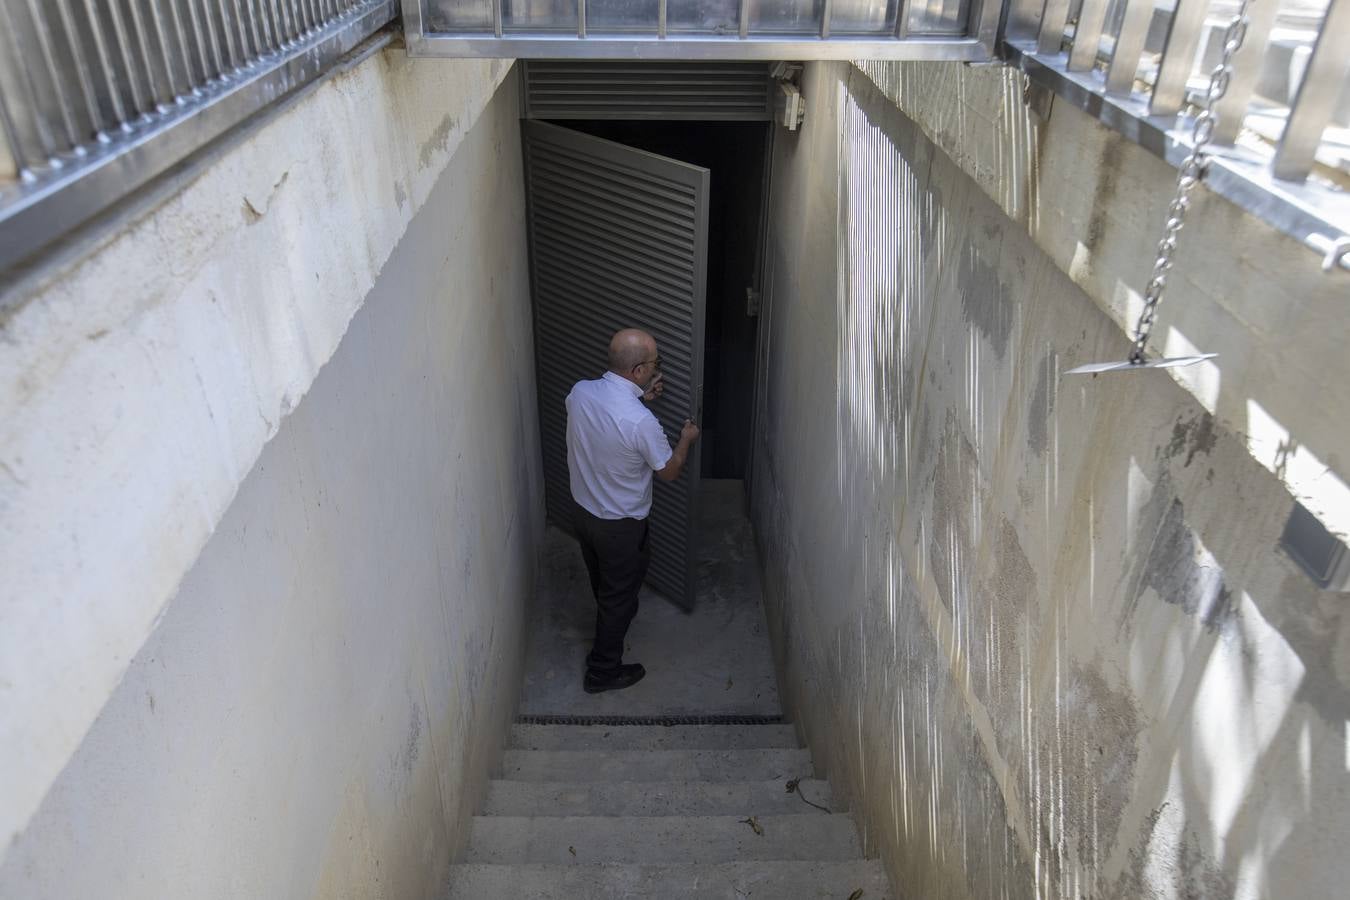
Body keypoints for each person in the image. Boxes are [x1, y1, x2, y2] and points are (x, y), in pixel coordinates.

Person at [565, 328, 700, 694]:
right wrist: (685, 440)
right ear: (639, 370)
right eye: (655, 364)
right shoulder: (641, 423)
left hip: (582, 513)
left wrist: (640, 399)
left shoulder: (579, 393)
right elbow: (669, 472)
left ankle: (614, 609)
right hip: (619, 528)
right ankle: (603, 672)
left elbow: (611, 425)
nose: (658, 370)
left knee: (604, 581)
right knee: (618, 595)